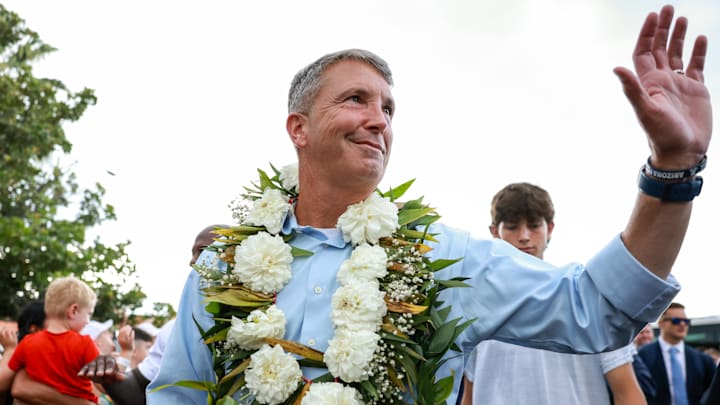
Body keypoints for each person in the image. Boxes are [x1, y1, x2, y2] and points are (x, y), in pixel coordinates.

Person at [80, 5, 707, 403]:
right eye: (356, 99)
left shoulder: (443, 256)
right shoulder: (224, 266)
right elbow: (176, 398)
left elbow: (592, 309)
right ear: (298, 127)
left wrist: (672, 174)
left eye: (389, 109)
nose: (378, 120)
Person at [460, 182, 644, 405]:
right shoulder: (473, 306)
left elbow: (627, 393)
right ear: (494, 232)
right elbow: (469, 396)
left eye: (534, 225)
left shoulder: (582, 297)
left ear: (550, 228)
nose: (524, 236)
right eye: (512, 226)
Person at [75, 224, 226, 405]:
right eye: (192, 253)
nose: (192, 262)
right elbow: (139, 394)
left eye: (202, 251)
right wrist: (110, 379)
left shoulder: (265, 321)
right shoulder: (174, 331)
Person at [0, 277, 100, 404]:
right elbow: (104, 383)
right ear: (73, 310)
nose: (88, 321)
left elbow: (4, 380)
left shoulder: (27, 343)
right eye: (89, 314)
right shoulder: (85, 344)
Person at [638, 303, 715, 405]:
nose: (682, 324)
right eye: (676, 321)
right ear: (661, 323)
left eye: (686, 321)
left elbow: (712, 393)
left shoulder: (703, 360)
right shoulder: (642, 356)